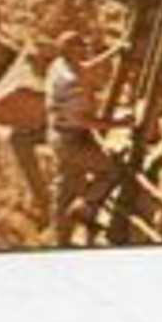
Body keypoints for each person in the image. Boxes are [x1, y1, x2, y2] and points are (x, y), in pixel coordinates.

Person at [45, 29, 127, 246]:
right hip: (71, 139)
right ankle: (84, 206)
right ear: (69, 50)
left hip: (60, 135)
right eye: (80, 44)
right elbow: (83, 120)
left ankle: (59, 240)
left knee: (64, 188)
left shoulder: (59, 66)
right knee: (111, 171)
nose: (86, 45)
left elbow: (83, 69)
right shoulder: (70, 83)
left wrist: (114, 51)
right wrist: (118, 124)